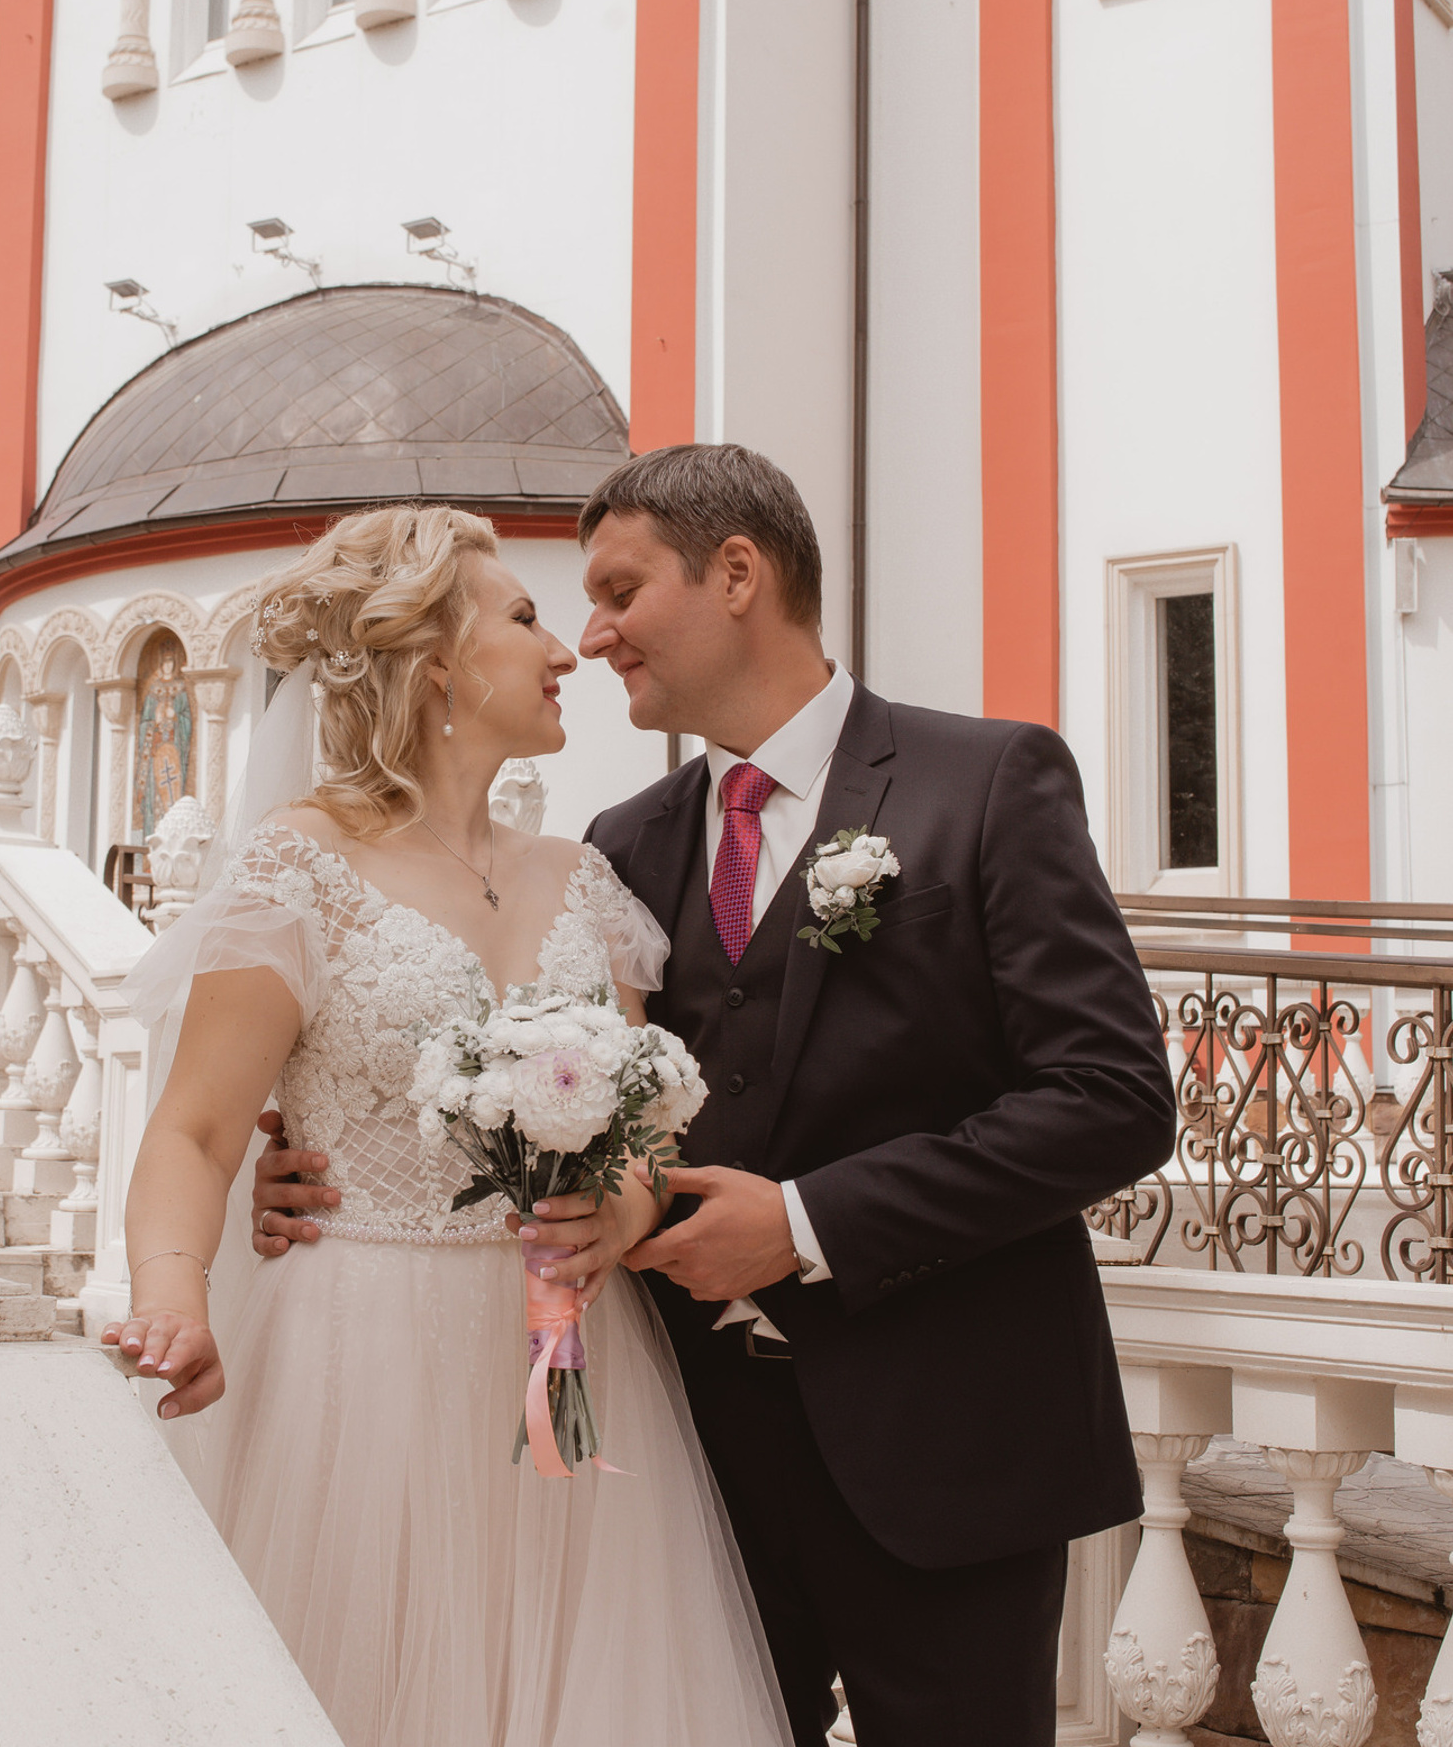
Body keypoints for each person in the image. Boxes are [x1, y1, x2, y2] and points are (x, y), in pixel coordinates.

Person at [254, 448, 1178, 1747]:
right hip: (687, 1463)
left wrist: (806, 1224)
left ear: (736, 572)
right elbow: (530, 1084)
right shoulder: (616, 850)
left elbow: (1112, 1098)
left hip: (946, 1448)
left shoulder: (988, 785)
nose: (593, 633)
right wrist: (298, 1152)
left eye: (622, 590)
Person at [104, 505, 791, 1747]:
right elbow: (199, 1131)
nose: (567, 650)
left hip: (578, 1361)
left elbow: (646, 1121)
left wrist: (623, 1206)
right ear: (433, 664)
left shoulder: (586, 878)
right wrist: (174, 1296)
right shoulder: (299, 870)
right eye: (526, 619)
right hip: (361, 1361)